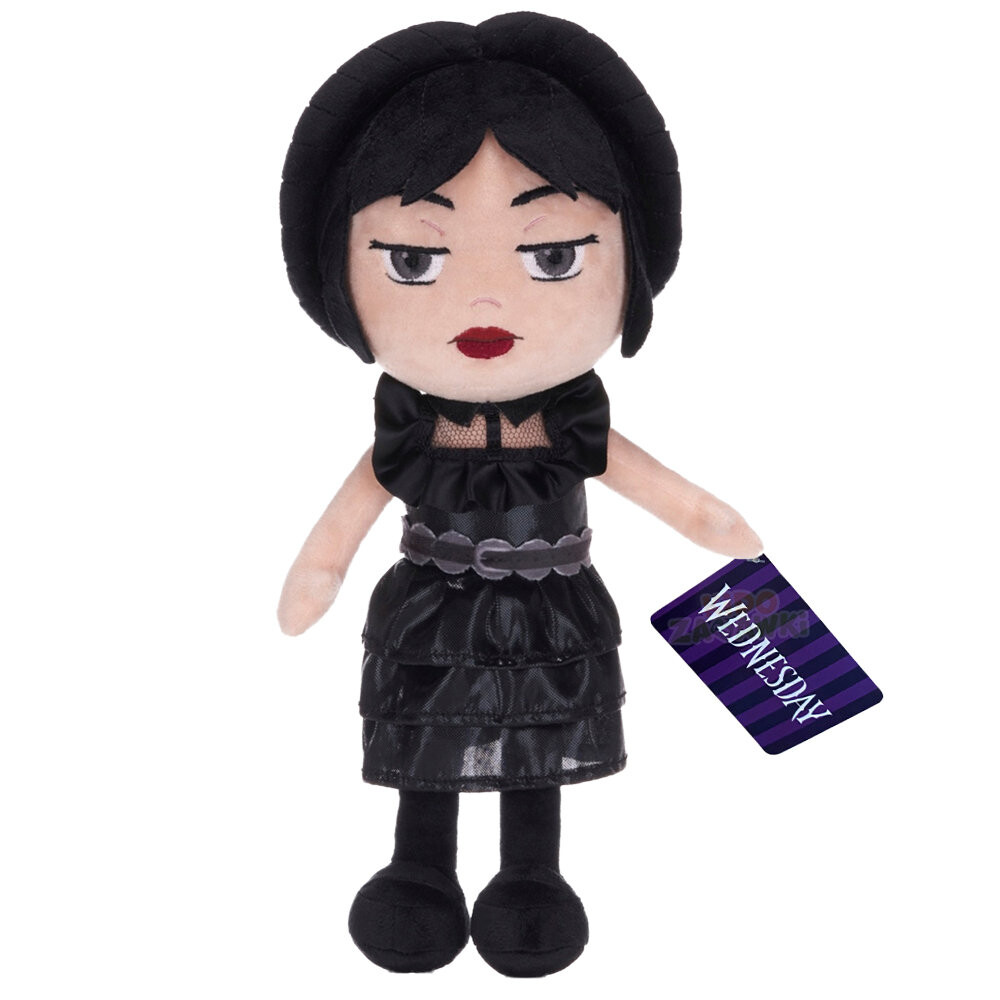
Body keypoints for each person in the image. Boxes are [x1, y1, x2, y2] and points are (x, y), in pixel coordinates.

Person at [277, 13, 762, 977]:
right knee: (431, 738)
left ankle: (530, 879)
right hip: (433, 606)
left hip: (550, 606)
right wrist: (316, 573)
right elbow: (345, 520)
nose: (486, 303)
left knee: (537, 742)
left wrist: (722, 532)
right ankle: (421, 870)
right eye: (414, 259)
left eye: (553, 256)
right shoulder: (413, 430)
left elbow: (673, 496)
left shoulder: (572, 426)